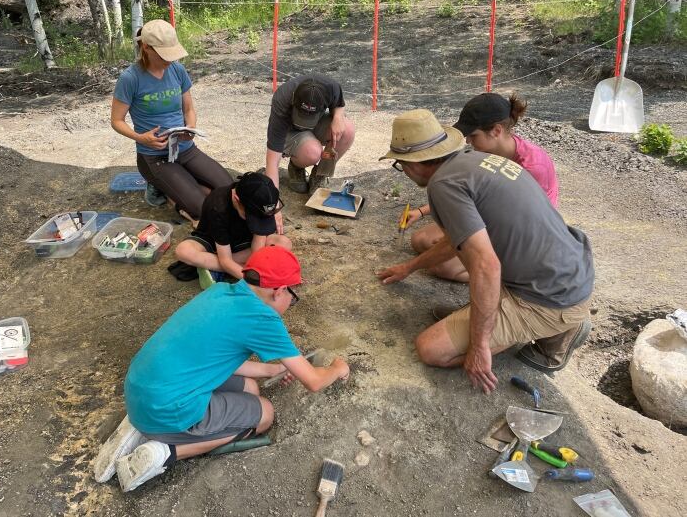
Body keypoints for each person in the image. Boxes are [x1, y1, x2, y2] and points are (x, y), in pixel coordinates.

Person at [92, 246, 351, 492]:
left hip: (142, 389)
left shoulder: (220, 292)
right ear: (279, 290)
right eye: (292, 297)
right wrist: (338, 368)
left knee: (251, 387)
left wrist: (269, 371)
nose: (290, 304)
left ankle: (142, 427)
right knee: (265, 415)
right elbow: (314, 381)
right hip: (168, 409)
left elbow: (217, 355)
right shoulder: (263, 318)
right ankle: (165, 452)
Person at [375, 109, 594, 391]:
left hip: (549, 298)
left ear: (412, 164)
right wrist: (409, 267)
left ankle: (556, 330)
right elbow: (457, 241)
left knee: (431, 349)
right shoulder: (475, 161)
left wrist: (479, 347)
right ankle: (489, 319)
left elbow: (486, 266)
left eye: (399, 164)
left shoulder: (443, 185)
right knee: (459, 269)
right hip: (567, 270)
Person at [405, 93, 559, 283]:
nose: (468, 142)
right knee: (421, 239)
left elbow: (510, 220)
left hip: (522, 233)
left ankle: (504, 277)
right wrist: (421, 212)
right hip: (491, 213)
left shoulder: (533, 167)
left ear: (496, 130)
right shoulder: (490, 151)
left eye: (473, 135)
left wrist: (451, 246)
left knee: (442, 265)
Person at [111, 19, 232, 223]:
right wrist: (141, 138)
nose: (170, 60)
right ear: (147, 48)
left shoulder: (177, 70)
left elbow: (189, 109)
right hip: (154, 156)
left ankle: (176, 184)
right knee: (203, 208)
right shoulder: (130, 78)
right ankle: (161, 187)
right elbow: (117, 121)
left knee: (229, 188)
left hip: (185, 148)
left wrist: (191, 128)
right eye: (164, 54)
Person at [174, 172, 292, 288]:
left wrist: (258, 267)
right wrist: (255, 282)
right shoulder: (217, 206)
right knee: (183, 251)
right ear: (236, 199)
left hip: (244, 242)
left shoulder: (261, 198)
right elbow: (226, 260)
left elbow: (258, 245)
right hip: (214, 240)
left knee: (284, 243)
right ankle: (225, 267)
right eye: (250, 217)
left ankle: (212, 266)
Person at [264, 74, 355, 225]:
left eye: (308, 116)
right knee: (312, 152)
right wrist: (272, 206)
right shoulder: (283, 98)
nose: (305, 120)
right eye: (302, 115)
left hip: (317, 124)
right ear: (294, 101)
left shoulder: (330, 87)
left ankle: (319, 175)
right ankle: (296, 166)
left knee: (348, 130)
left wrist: (338, 118)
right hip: (291, 132)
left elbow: (339, 104)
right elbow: (272, 162)